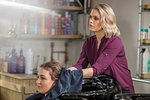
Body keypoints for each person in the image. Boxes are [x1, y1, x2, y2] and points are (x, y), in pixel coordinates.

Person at [68, 3, 135, 94]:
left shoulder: (114, 42)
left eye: (95, 18)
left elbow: (96, 70)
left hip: (122, 89)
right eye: (90, 17)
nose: (91, 21)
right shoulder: (88, 42)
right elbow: (80, 65)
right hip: (105, 88)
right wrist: (68, 71)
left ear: (105, 21)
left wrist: (72, 75)